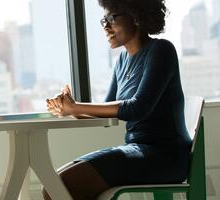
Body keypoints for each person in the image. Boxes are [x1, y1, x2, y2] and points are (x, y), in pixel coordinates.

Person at [44, 0, 191, 199]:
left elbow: (138, 108)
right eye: (104, 20)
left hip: (165, 157)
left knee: (59, 190)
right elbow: (106, 116)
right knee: (52, 188)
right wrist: (67, 109)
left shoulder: (161, 50)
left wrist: (76, 107)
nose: (105, 26)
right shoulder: (122, 61)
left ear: (137, 16)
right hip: (136, 150)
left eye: (112, 18)